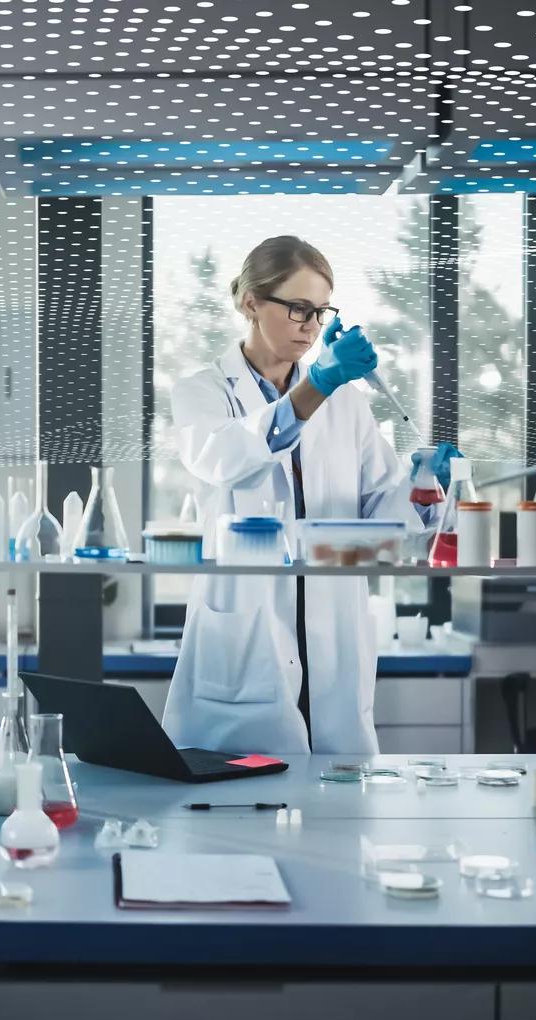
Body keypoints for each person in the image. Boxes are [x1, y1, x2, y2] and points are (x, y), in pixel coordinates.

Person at [161, 235, 455, 756]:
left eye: (321, 312)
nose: (312, 326)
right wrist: (318, 384)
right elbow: (223, 457)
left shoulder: (346, 403)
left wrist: (424, 486)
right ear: (252, 302)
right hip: (246, 632)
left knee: (340, 813)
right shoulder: (203, 392)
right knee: (233, 811)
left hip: (333, 627)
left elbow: (382, 514)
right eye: (298, 308)